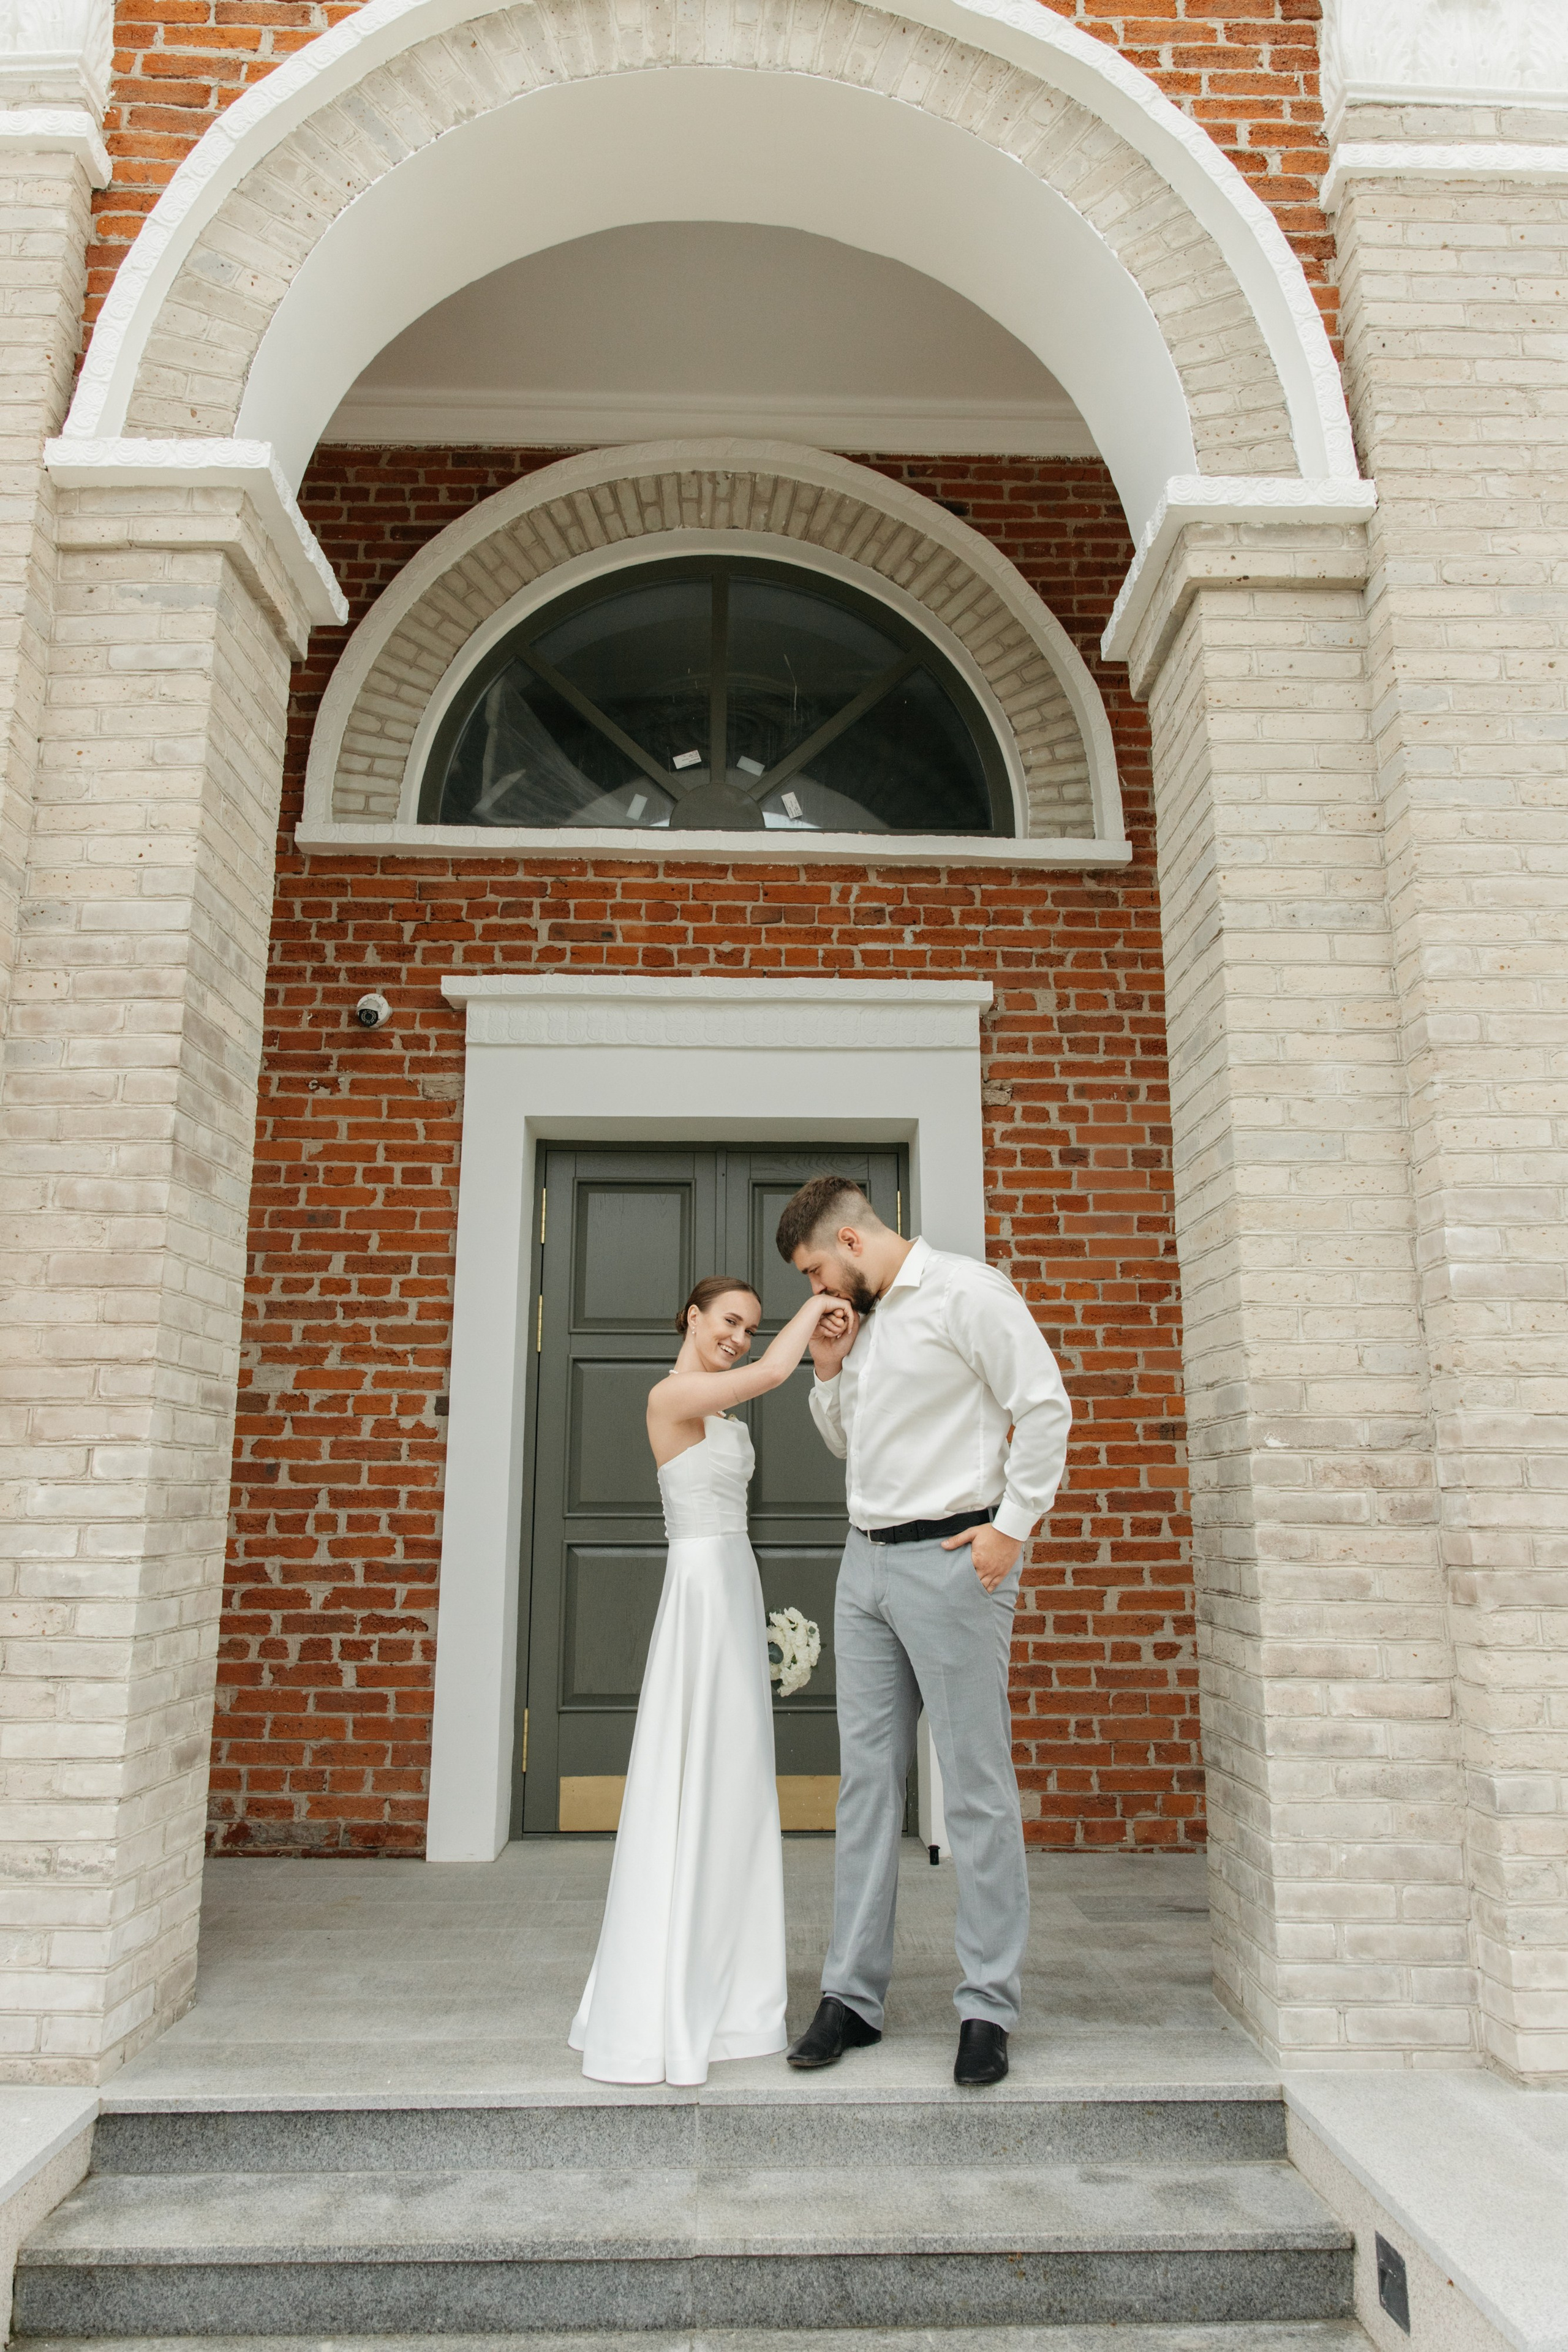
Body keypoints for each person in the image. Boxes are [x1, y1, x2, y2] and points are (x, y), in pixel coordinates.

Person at [775, 1177, 1071, 2088]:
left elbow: (1044, 1406)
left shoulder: (966, 1293)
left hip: (952, 1562)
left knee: (975, 1789)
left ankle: (988, 2007)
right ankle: (851, 1996)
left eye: (815, 1271)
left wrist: (1011, 1528)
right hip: (863, 1565)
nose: (815, 1291)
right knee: (867, 1786)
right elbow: (849, 1443)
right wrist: (829, 1369)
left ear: (850, 1242)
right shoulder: (858, 1321)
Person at [569, 1274, 848, 2086]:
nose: (739, 1337)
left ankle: (734, 1999)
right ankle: (670, 1992)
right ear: (692, 1318)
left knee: (735, 1785)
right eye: (730, 1321)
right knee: (691, 1777)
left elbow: (761, 1379)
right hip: (698, 1589)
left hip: (735, 1584)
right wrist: (818, 1300)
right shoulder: (670, 1397)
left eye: (751, 1327)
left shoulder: (720, 1415)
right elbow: (772, 1374)